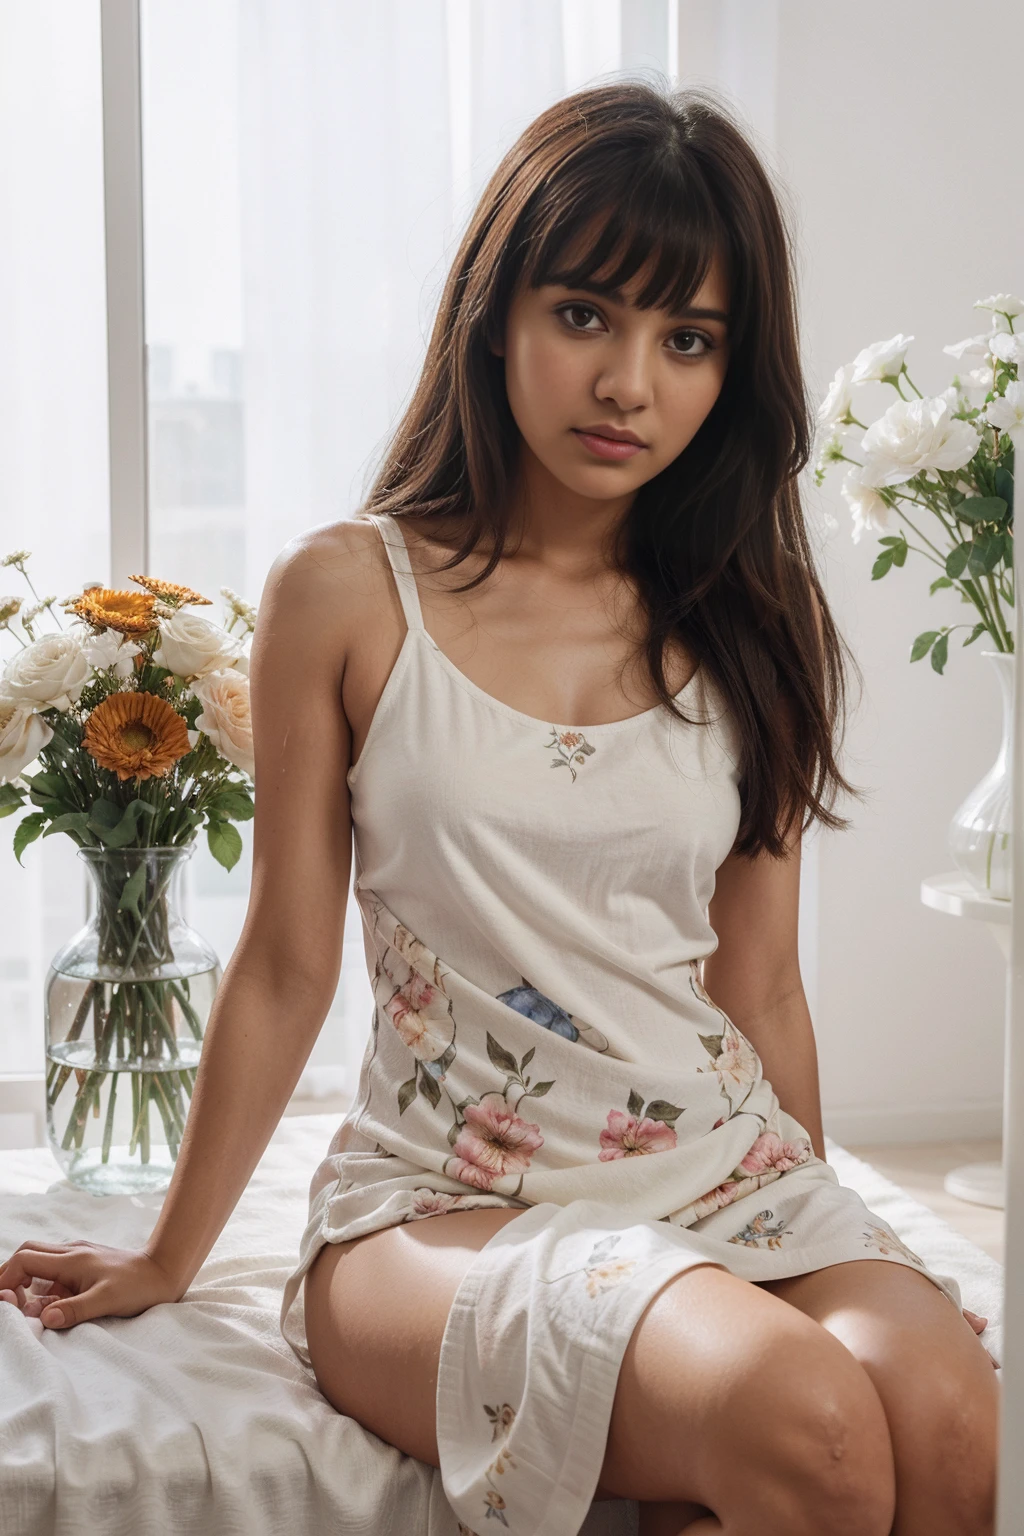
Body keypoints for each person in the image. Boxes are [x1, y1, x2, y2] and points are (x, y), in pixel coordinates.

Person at [0, 79, 998, 1536]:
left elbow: (764, 982)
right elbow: (285, 962)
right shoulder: (348, 594)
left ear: (736, 371)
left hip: (720, 1160)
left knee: (952, 1426)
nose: (629, 383)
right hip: (441, 1207)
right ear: (496, 311)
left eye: (689, 339)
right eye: (586, 313)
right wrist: (167, 1256)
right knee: (812, 1423)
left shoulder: (753, 614)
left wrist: (815, 1226)